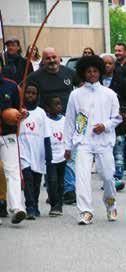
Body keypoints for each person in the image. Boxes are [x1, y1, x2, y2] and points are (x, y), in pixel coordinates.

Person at [64, 55, 122, 225]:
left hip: (104, 142)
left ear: (100, 72)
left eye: (95, 71)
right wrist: (67, 146)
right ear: (83, 73)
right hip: (83, 142)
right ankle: (85, 211)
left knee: (108, 177)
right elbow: (69, 121)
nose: (92, 74)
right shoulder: (75, 95)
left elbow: (117, 117)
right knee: (82, 178)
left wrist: (105, 125)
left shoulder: (110, 94)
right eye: (88, 71)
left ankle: (111, 206)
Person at [26, 47, 78, 203]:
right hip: (45, 122)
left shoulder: (69, 73)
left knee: (68, 155)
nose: (52, 61)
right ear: (43, 60)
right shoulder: (35, 76)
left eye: (54, 57)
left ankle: (69, 190)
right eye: (47, 58)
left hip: (67, 121)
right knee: (50, 158)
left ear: (59, 57)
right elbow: (27, 96)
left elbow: (81, 87)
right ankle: (53, 192)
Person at [19, 82, 52, 220]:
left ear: (37, 96)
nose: (30, 95)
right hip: (23, 152)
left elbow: (46, 135)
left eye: (33, 93)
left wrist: (48, 153)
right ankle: (30, 207)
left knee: (36, 181)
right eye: (28, 93)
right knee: (28, 179)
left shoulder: (41, 113)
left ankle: (36, 205)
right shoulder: (19, 112)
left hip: (38, 153)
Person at [0, 64, 27, 224]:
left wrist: (22, 114)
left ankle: (16, 208)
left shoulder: (11, 86)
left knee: (13, 171)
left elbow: (20, 109)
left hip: (8, 135)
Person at [101, 54, 126, 191]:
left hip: (117, 122)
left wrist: (121, 108)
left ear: (114, 65)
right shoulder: (97, 81)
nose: (107, 66)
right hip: (101, 122)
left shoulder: (121, 81)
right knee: (105, 152)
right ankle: (108, 178)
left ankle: (118, 177)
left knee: (118, 150)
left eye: (110, 63)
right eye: (105, 63)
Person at [45, 95, 67, 216]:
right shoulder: (45, 121)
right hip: (50, 157)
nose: (59, 106)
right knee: (52, 181)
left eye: (60, 104)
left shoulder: (64, 119)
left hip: (62, 156)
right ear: (48, 108)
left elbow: (67, 135)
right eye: (56, 104)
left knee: (60, 182)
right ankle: (54, 204)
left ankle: (59, 203)